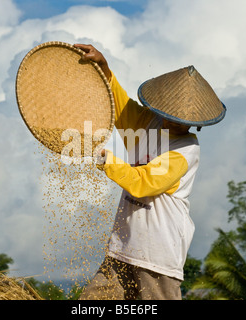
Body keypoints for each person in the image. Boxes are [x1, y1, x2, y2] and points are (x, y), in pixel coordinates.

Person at [74, 43, 226, 300]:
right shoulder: (148, 122)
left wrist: (104, 158)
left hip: (157, 257)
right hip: (122, 249)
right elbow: (120, 106)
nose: (172, 121)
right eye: (169, 114)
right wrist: (104, 68)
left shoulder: (186, 151)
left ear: (196, 125)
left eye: (181, 120)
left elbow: (143, 184)